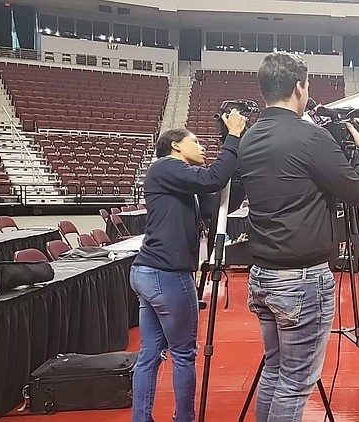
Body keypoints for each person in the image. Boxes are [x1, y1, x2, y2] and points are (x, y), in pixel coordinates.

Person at [237, 52, 359, 422]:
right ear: (300, 87)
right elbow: (358, 192)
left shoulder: (248, 138)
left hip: (263, 274)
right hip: (301, 280)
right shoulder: (309, 137)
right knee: (296, 382)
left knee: (275, 369)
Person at [129, 110, 247, 422]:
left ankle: (141, 417)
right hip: (167, 274)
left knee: (150, 353)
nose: (203, 148)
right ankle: (185, 418)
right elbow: (213, 178)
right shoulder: (167, 167)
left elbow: (218, 201)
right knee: (183, 353)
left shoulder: (178, 182)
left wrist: (242, 166)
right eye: (195, 142)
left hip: (149, 272)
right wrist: (232, 136)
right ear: (176, 146)